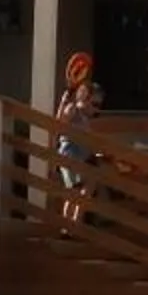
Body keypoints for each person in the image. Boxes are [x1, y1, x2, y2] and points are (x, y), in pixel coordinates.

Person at [54, 52, 101, 230]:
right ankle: (67, 227)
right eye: (91, 101)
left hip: (82, 155)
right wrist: (63, 102)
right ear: (83, 98)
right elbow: (59, 123)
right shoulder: (72, 108)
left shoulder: (85, 117)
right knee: (73, 191)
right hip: (70, 153)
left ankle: (75, 223)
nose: (93, 106)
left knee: (88, 186)